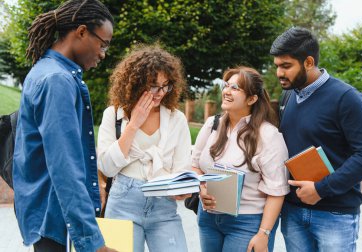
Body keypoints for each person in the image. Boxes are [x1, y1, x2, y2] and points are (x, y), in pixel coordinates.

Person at [12, 0, 116, 251]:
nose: (103, 53)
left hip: (47, 213)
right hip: (55, 218)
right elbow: (65, 167)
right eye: (103, 44)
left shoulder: (44, 70)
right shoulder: (57, 80)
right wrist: (92, 242)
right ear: (81, 32)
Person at [270, 27, 362, 252]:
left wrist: (322, 188)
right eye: (277, 66)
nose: (279, 73)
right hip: (293, 212)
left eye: (286, 66)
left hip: (335, 214)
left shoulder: (346, 98)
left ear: (308, 62)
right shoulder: (287, 97)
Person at [97, 44, 192, 252]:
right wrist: (133, 125)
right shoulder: (113, 115)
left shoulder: (177, 119)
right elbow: (106, 167)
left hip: (164, 209)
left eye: (166, 85)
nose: (160, 93)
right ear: (136, 84)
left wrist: (183, 189)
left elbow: (183, 168)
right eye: (153, 86)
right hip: (122, 204)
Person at [191, 66, 290, 252]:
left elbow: (277, 191)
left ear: (252, 99)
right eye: (226, 85)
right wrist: (201, 189)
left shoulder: (269, 136)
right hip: (208, 218)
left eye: (235, 88)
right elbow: (195, 166)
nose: (226, 91)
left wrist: (263, 234)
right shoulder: (212, 124)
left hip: (246, 223)